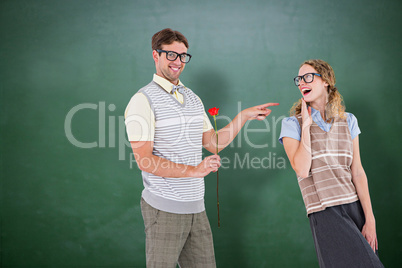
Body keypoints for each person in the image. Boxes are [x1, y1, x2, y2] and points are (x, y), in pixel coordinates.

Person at [124, 28, 279, 267]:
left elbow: (213, 144)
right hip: (163, 209)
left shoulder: (193, 98)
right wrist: (194, 170)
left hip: (197, 209)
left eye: (183, 55)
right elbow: (144, 160)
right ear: (156, 55)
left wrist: (244, 116)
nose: (178, 62)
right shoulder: (142, 100)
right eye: (171, 55)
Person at [279, 59, 384, 267]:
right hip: (325, 212)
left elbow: (358, 172)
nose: (301, 83)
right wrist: (307, 126)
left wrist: (370, 219)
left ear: (326, 81)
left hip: (355, 208)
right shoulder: (292, 125)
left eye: (308, 77)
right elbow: (301, 168)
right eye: (298, 79)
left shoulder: (349, 120)